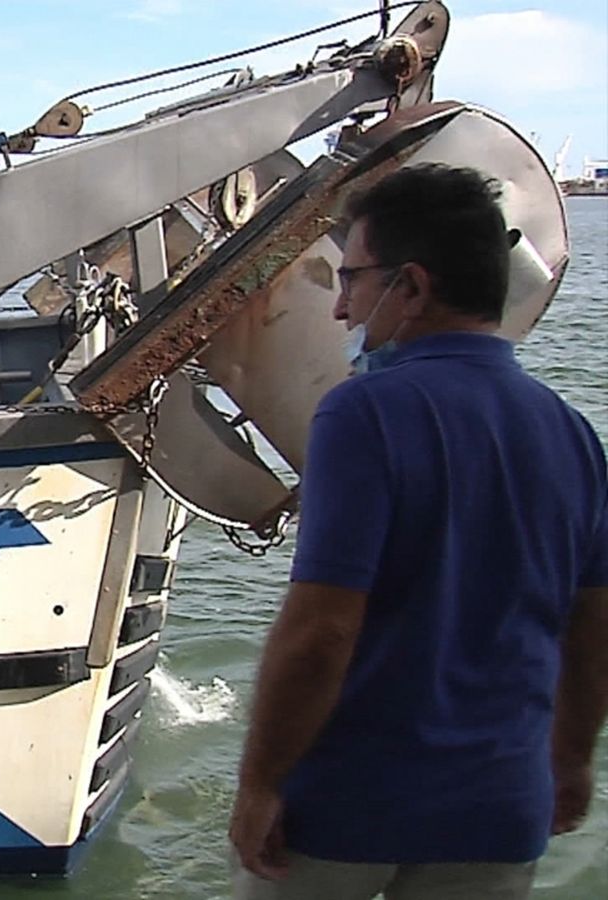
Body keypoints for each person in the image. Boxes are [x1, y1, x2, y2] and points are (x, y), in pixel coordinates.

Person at [229, 164, 608, 898]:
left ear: (412, 287)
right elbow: (593, 628)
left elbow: (322, 632)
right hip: (500, 810)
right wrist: (571, 761)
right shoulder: (572, 434)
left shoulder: (362, 412)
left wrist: (259, 785)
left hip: (346, 809)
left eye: (352, 279)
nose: (341, 310)